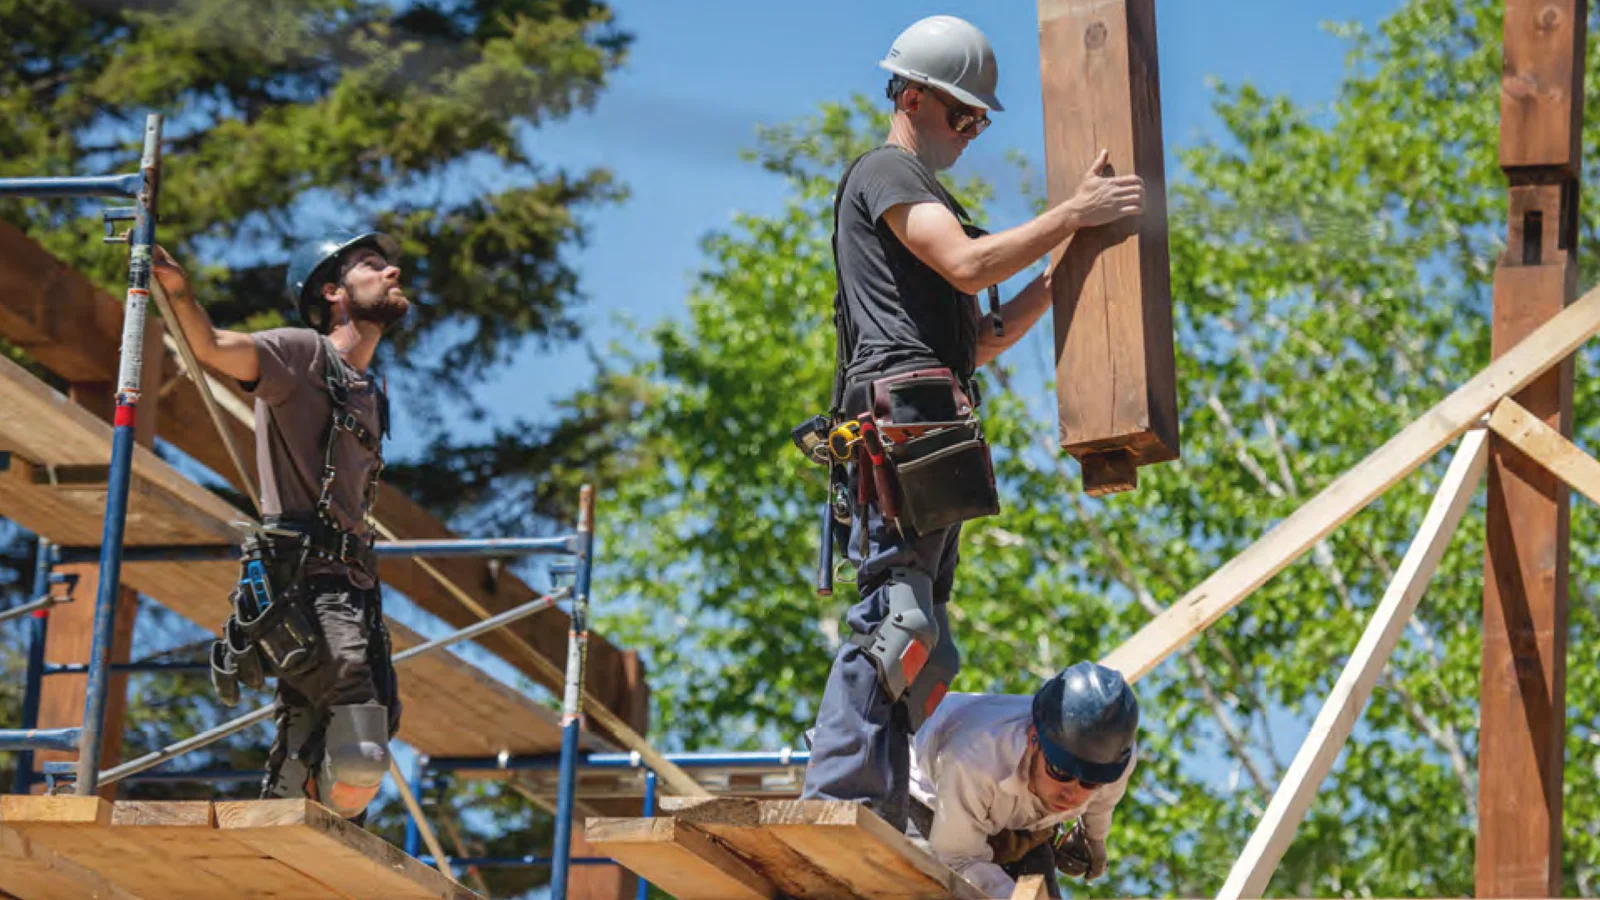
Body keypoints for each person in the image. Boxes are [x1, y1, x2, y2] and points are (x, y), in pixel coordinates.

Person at [801, 13, 1147, 832]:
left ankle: (884, 805)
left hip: (935, 421)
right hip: (900, 421)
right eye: (963, 116)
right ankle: (841, 800)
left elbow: (982, 338)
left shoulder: (930, 196)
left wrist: (1075, 259)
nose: (972, 132)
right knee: (895, 622)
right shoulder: (887, 174)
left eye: (980, 120)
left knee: (923, 646)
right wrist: (1070, 214)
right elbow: (966, 264)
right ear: (912, 96)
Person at [152, 231, 409, 822]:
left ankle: (292, 828)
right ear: (332, 291)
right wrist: (179, 291)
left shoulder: (368, 388)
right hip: (305, 578)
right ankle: (300, 829)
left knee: (353, 729)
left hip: (350, 583)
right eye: (371, 266)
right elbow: (215, 348)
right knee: (362, 747)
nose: (391, 272)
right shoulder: (302, 355)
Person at [908, 663, 1140, 899]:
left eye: (1090, 783)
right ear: (1033, 739)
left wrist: (1093, 839)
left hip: (1007, 815)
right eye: (1061, 773)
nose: (1072, 795)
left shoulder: (1112, 759)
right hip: (933, 803)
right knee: (929, 886)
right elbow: (956, 860)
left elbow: (1102, 804)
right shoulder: (974, 758)